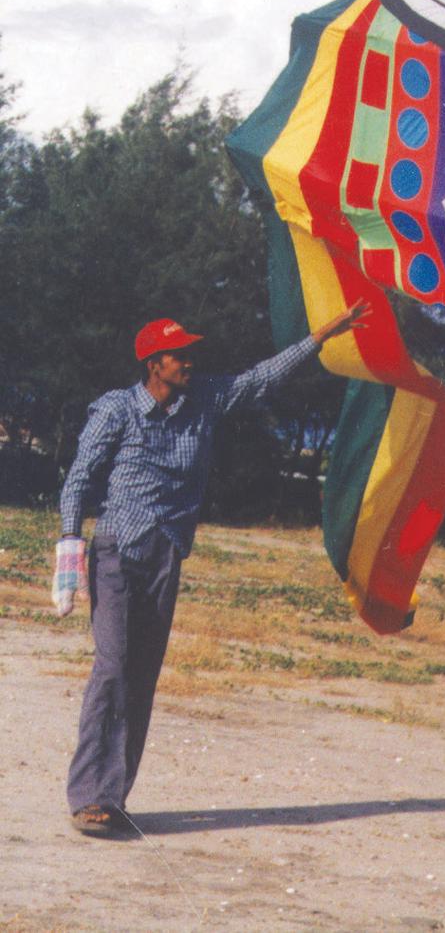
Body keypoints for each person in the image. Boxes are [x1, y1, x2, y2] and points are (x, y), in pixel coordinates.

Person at [53, 302, 365, 838]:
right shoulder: (117, 410)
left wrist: (320, 336)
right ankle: (86, 797)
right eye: (180, 354)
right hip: (115, 552)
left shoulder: (204, 402)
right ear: (154, 364)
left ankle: (113, 795)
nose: (190, 361)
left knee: (142, 675)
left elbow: (259, 379)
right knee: (113, 666)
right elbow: (80, 477)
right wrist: (69, 544)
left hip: (165, 553)